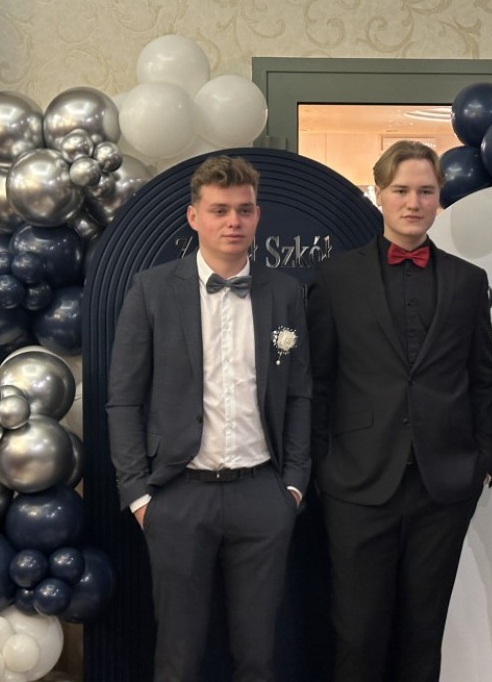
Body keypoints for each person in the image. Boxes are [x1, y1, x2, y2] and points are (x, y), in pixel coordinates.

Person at [106, 155, 311, 682]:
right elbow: (123, 401)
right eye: (220, 210)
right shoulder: (152, 289)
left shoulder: (285, 293)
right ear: (194, 216)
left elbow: (300, 396)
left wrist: (292, 486)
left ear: (257, 215)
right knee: (177, 657)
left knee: (259, 656)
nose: (233, 221)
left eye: (244, 209)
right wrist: (138, 495)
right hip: (178, 495)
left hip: (262, 494)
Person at [307, 140, 492, 682]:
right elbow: (317, 381)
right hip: (356, 483)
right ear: (379, 194)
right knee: (357, 633)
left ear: (440, 198)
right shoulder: (335, 278)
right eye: (401, 190)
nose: (413, 203)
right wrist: (323, 465)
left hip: (444, 485)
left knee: (423, 634)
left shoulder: (468, 281)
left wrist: (484, 460)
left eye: (425, 191)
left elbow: (484, 378)